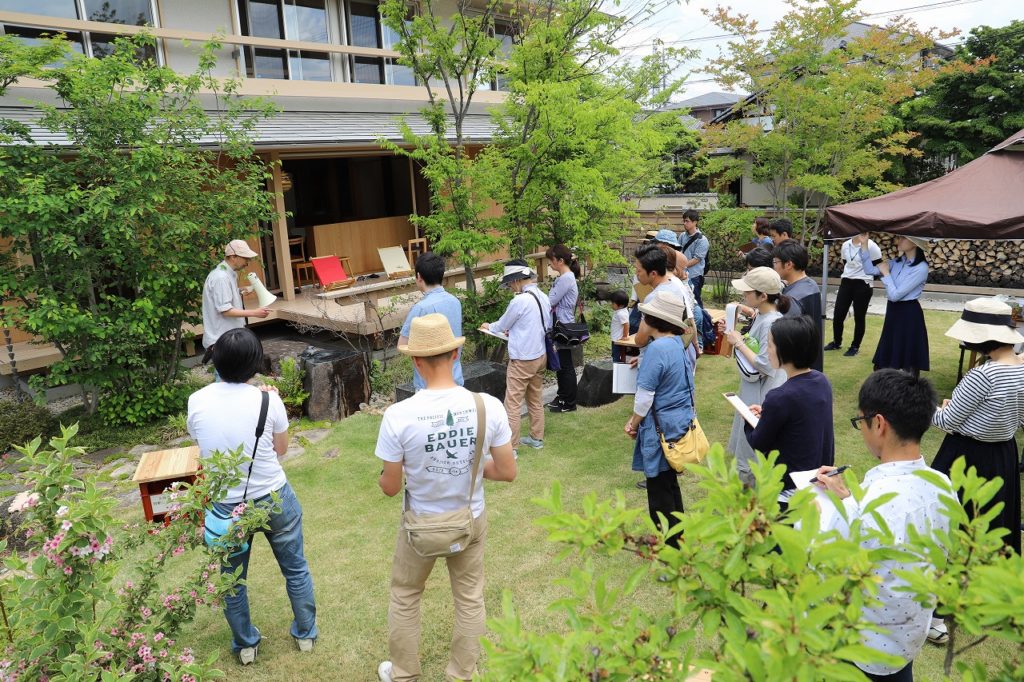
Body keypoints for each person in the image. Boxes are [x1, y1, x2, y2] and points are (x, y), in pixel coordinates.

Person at [375, 314, 517, 682]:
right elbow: (506, 471)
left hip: (419, 524)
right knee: (470, 599)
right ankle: (461, 675)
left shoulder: (398, 415)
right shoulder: (488, 405)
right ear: (455, 354)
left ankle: (404, 673)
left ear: (415, 361)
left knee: (406, 596)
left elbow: (390, 487)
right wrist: (471, 466)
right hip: (470, 518)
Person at [186, 328, 317, 665]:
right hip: (274, 496)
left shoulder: (197, 401)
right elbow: (282, 450)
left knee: (232, 580)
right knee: (296, 569)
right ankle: (305, 635)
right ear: (255, 363)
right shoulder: (268, 399)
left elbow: (202, 442)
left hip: (227, 506)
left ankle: (246, 645)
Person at [815, 369, 955, 681]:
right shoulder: (942, 485)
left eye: (860, 421)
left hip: (862, 647)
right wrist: (848, 498)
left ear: (878, 424)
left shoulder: (872, 502)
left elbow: (825, 569)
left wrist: (819, 512)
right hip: (907, 637)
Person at [931, 298, 1024, 556]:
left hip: (968, 455)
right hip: (1004, 454)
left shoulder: (984, 374)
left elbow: (947, 421)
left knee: (957, 521)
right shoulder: (1021, 367)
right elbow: (1011, 414)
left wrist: (927, 406)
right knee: (995, 520)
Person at [623, 291, 693, 548]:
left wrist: (633, 423)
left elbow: (644, 397)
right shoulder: (676, 342)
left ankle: (670, 546)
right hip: (677, 423)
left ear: (652, 320)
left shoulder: (656, 348)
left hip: (660, 426)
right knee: (669, 483)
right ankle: (679, 537)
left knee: (659, 490)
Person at [745, 316, 835, 508]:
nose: (767, 351)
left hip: (789, 490)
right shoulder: (821, 381)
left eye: (769, 345)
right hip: (818, 481)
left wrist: (749, 419)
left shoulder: (780, 397)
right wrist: (768, 413)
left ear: (785, 349)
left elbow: (759, 442)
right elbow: (801, 419)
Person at [724, 267, 790, 488]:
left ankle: (752, 505)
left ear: (763, 296)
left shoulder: (771, 322)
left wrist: (738, 343)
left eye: (748, 292)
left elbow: (764, 364)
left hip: (761, 392)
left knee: (752, 447)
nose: (744, 296)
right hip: (754, 389)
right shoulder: (765, 316)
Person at [481, 260, 551, 452]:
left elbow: (502, 325)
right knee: (535, 399)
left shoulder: (519, 301)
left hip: (523, 358)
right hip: (540, 355)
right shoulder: (542, 296)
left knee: (512, 403)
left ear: (519, 280)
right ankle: (537, 438)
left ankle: (511, 448)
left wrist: (489, 326)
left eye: (511, 283)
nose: (510, 287)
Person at [858, 234, 930, 377]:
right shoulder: (896, 262)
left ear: (915, 243)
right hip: (893, 311)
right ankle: (884, 384)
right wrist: (864, 245)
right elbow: (869, 270)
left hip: (909, 313)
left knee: (908, 355)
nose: (899, 241)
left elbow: (895, 295)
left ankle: (909, 389)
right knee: (888, 349)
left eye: (903, 238)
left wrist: (886, 274)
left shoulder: (921, 268)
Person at [398, 252, 463, 392]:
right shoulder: (455, 302)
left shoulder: (421, 308)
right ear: (441, 274)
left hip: (429, 384)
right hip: (455, 377)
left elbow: (402, 344)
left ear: (419, 277)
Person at [201, 239, 270, 358]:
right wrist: (255, 312)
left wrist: (239, 291)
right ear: (233, 257)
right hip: (222, 341)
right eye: (245, 258)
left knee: (233, 375)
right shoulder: (221, 278)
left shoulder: (227, 273)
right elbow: (225, 310)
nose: (247, 262)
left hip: (228, 338)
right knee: (228, 375)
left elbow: (222, 298)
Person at [825, 234, 882, 358]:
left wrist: (866, 276)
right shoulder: (846, 245)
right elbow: (846, 262)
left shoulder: (872, 246)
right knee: (838, 314)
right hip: (846, 282)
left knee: (859, 317)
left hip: (863, 283)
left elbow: (878, 265)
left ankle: (855, 346)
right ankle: (836, 342)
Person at [773, 240, 823, 372]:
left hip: (796, 366)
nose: (774, 266)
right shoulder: (811, 284)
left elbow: (785, 337)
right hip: (812, 359)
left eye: (776, 262)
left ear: (789, 264)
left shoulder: (792, 298)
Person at [545, 244, 581, 413]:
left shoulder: (566, 278)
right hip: (562, 322)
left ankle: (569, 402)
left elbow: (550, 300)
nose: (550, 264)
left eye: (551, 260)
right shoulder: (566, 277)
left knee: (565, 365)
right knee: (562, 363)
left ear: (560, 261)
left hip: (563, 324)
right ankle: (562, 396)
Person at [679, 209, 709, 307]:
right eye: (684, 221)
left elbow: (697, 259)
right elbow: (678, 251)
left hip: (694, 275)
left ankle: (701, 319)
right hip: (682, 273)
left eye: (687, 221)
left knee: (695, 300)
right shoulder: (682, 236)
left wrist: (681, 266)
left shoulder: (702, 240)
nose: (684, 223)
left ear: (695, 222)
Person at [609, 289, 630, 363]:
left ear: (620, 305)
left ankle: (617, 368)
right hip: (616, 338)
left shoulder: (621, 313)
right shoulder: (621, 311)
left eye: (613, 303)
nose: (611, 305)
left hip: (618, 339)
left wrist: (625, 336)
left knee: (616, 355)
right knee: (617, 354)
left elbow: (626, 324)